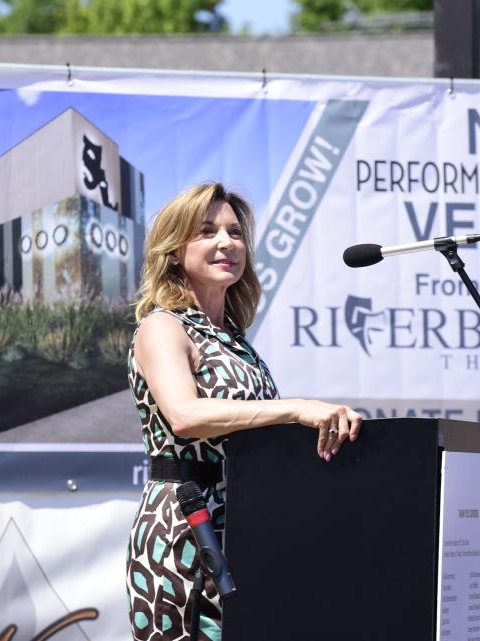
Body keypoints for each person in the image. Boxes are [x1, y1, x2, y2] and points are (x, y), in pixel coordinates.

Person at [125, 182, 363, 641]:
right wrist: (295, 407)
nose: (226, 243)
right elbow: (185, 416)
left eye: (235, 233)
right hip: (184, 524)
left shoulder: (235, 340)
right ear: (174, 251)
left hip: (246, 520)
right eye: (207, 231)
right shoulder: (162, 326)